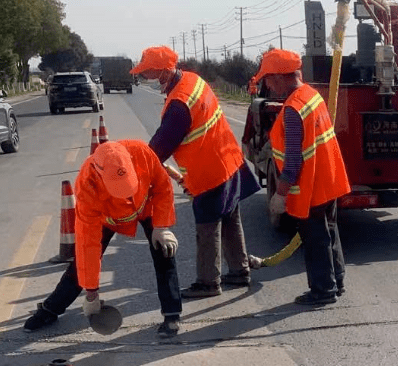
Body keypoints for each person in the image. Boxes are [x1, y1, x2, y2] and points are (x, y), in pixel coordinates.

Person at [131, 45, 260, 299]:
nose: (146, 77)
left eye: (149, 72)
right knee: (230, 218)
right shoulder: (194, 80)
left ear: (162, 71)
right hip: (228, 159)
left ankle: (208, 282)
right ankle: (239, 270)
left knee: (208, 226)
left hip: (209, 170)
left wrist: (140, 170)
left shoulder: (180, 102)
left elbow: (162, 143)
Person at [24, 140, 183, 337]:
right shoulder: (87, 184)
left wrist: (161, 226)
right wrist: (92, 293)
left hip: (146, 209)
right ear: (99, 174)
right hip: (108, 219)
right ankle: (50, 309)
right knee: (80, 266)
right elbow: (87, 245)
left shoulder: (142, 153)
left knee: (165, 252)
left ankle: (172, 315)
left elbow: (162, 186)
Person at [251, 48, 351, 306]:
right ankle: (336, 282)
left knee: (315, 239)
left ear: (282, 75)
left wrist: (280, 194)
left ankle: (322, 291)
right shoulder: (312, 96)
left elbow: (294, 159)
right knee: (330, 231)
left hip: (312, 187)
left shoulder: (294, 109)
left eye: (269, 79)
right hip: (329, 180)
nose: (268, 85)